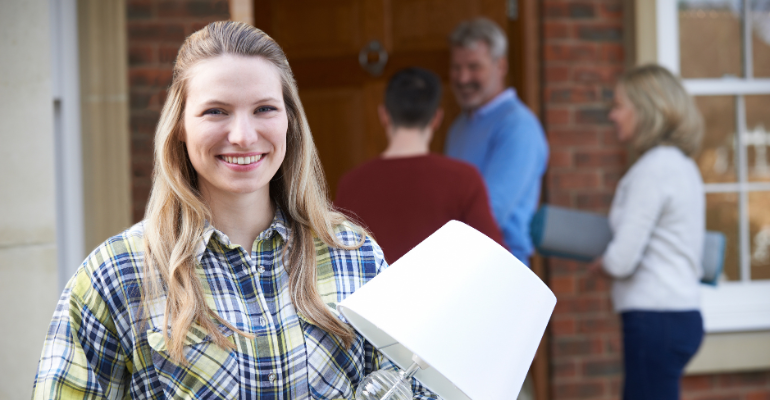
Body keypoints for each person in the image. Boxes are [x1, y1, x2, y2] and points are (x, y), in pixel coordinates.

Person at [32, 21, 437, 400]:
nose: (243, 136)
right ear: (180, 128)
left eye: (264, 109)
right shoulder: (116, 276)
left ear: (290, 123)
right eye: (216, 111)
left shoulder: (354, 255)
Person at [590, 64, 705, 400]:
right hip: (681, 313)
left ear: (646, 111)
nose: (612, 116)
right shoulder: (683, 166)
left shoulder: (652, 170)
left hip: (656, 319)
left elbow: (622, 259)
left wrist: (603, 264)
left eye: (619, 106)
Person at [335, 67, 505, 263]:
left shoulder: (352, 184)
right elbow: (496, 259)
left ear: (384, 115)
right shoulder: (464, 180)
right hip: (445, 293)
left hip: (377, 294)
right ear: (436, 119)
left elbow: (337, 260)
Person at [444, 18, 548, 267]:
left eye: (474, 66)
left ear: (501, 65)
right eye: (456, 68)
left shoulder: (517, 126)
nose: (462, 77)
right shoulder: (459, 126)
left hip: (503, 267)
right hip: (463, 263)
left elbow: (491, 211)